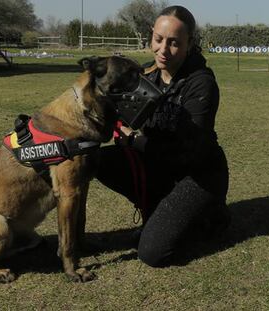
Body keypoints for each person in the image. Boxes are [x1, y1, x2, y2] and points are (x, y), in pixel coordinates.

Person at [96, 5, 230, 267]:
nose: (163, 50)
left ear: (190, 43)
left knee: (152, 253)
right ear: (151, 36)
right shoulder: (146, 74)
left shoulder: (201, 84)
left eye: (174, 43)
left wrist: (135, 141)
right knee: (96, 159)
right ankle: (158, 209)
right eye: (158, 40)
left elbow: (189, 153)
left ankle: (211, 216)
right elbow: (120, 116)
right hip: (160, 164)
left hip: (199, 175)